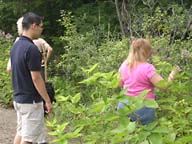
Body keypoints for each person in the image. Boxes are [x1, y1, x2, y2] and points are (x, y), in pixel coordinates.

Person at [10, 12, 52, 144]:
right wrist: (47, 101)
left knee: (21, 133)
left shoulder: (16, 46)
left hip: (19, 99)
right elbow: (36, 78)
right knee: (29, 139)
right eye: (41, 27)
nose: (41, 30)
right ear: (34, 26)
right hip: (31, 102)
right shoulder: (32, 49)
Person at [118, 38, 180, 125]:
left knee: (128, 134)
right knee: (146, 134)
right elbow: (164, 86)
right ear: (146, 52)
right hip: (143, 106)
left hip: (124, 104)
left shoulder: (124, 65)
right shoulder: (147, 68)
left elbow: (120, 84)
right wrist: (173, 73)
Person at [7, 17, 53, 81]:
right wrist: (45, 61)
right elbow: (50, 49)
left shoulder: (16, 44)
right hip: (37, 75)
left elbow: (9, 68)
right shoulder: (38, 41)